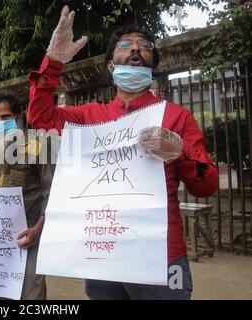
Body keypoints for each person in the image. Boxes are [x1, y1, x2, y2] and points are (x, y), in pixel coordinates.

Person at [27, 6, 219, 300]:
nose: (136, 50)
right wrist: (52, 63)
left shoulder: (176, 118)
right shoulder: (90, 116)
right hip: (103, 254)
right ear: (109, 65)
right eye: (126, 45)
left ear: (152, 64)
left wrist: (180, 153)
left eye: (144, 47)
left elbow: (207, 186)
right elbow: (40, 118)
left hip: (162, 257)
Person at [0, 93, 54, 300]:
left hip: (30, 231)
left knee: (31, 293)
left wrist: (39, 228)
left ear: (19, 116)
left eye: (5, 117)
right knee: (3, 292)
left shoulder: (37, 144)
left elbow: (50, 191)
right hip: (0, 234)